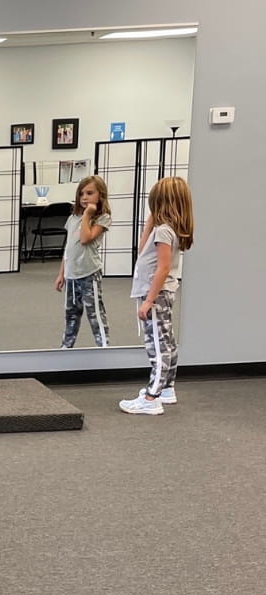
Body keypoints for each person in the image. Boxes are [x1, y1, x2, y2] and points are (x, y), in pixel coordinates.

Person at [119, 176, 194, 415]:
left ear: (160, 203)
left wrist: (149, 300)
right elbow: (142, 251)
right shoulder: (167, 228)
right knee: (167, 341)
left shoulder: (164, 231)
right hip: (163, 292)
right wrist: (150, 222)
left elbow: (161, 268)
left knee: (158, 346)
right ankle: (167, 388)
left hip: (156, 294)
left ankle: (152, 397)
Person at [55, 175, 111, 348]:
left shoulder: (102, 218)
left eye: (89, 193)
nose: (84, 197)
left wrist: (87, 215)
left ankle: (103, 347)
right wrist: (61, 274)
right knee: (71, 313)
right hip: (72, 274)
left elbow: (86, 238)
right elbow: (69, 248)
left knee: (94, 313)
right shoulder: (72, 218)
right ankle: (66, 346)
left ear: (100, 195)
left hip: (89, 274)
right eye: (81, 194)